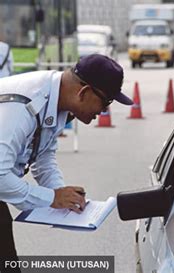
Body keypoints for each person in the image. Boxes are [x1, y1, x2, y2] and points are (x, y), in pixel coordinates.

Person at [0, 54, 133, 272]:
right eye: (106, 101)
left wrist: (61, 194)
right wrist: (52, 198)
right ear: (84, 91)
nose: (103, 111)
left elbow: (43, 157)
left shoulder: (56, 102)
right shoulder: (23, 107)